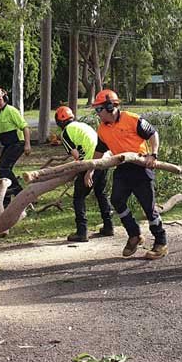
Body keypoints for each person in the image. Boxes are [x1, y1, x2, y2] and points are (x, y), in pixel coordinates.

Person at [91, 89, 167, 260]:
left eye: (99, 109)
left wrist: (153, 154)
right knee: (117, 200)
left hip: (141, 168)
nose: (97, 114)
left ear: (110, 107)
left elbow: (153, 133)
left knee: (148, 207)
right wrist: (90, 169)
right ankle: (134, 235)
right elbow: (99, 150)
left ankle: (161, 242)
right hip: (123, 168)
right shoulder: (103, 129)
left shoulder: (132, 119)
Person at [55, 106, 115, 242]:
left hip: (91, 163)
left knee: (79, 197)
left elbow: (76, 155)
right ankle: (108, 226)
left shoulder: (65, 133)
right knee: (101, 193)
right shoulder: (82, 125)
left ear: (59, 122)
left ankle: (82, 232)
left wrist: (84, 171)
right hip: (105, 159)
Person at [0, 87, 31, 207]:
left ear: (4, 98)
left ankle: (21, 194)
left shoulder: (11, 111)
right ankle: (6, 201)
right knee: (3, 172)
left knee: (4, 167)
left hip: (18, 143)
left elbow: (25, 127)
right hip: (7, 145)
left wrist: (27, 144)